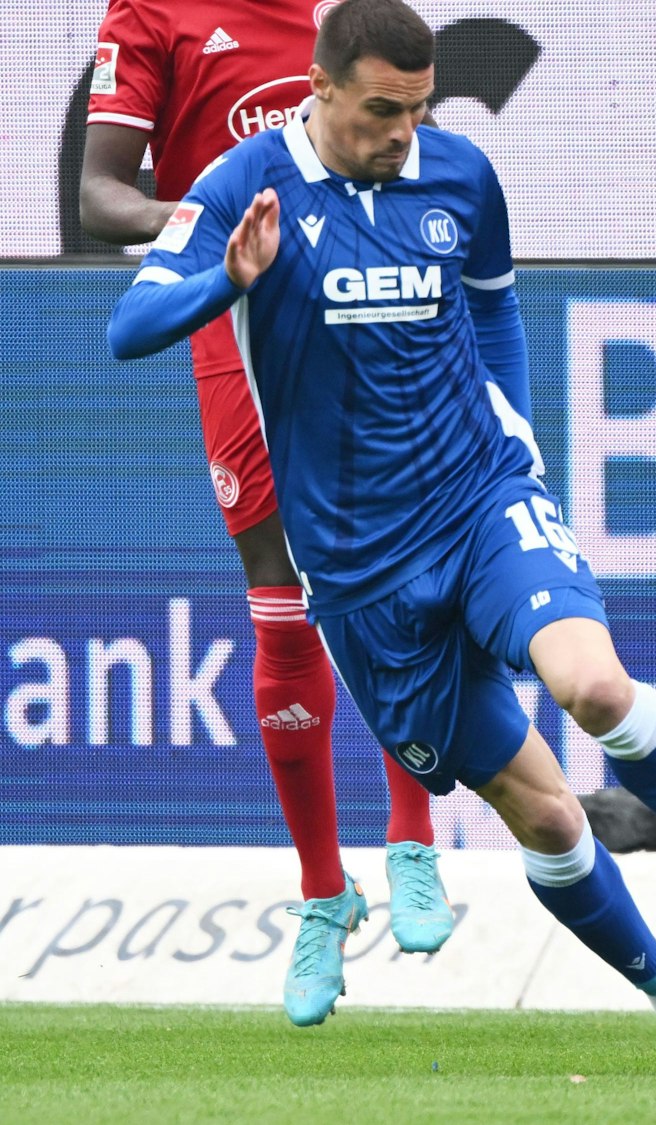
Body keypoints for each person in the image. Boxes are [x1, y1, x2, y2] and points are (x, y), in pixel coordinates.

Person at [106, 0, 656, 1068]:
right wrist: (223, 283)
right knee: (549, 819)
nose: (401, 132)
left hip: (479, 503)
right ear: (318, 91)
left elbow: (496, 306)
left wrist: (515, 429)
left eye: (417, 110)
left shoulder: (458, 173)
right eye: (380, 110)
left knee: (595, 689)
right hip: (363, 574)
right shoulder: (242, 190)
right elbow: (125, 330)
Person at [78, 0, 462, 1027]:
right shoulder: (150, 15)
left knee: (395, 582)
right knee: (279, 599)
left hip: (355, 306)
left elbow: (408, 149)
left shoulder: (342, 19)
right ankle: (322, 896)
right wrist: (212, 229)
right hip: (231, 316)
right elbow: (97, 193)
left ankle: (413, 838)